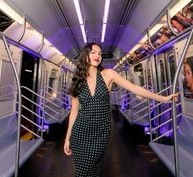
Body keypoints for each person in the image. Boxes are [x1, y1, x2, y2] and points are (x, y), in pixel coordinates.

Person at [63, 42, 178, 177]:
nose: (97, 56)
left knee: (85, 170)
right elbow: (74, 112)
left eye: (100, 53)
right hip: (81, 132)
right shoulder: (77, 81)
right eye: (93, 52)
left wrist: (163, 99)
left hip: (101, 131)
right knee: (92, 171)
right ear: (85, 55)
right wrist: (67, 138)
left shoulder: (108, 74)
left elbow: (135, 88)